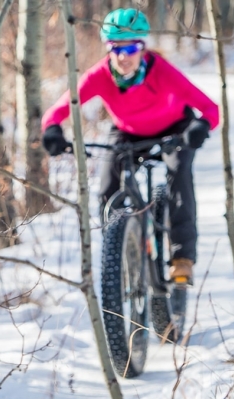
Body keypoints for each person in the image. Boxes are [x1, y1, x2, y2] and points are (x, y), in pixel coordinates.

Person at [41, 8, 219, 285]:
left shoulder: (162, 71)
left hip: (174, 130)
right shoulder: (99, 75)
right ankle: (120, 247)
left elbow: (210, 108)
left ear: (143, 47)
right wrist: (52, 130)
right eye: (115, 48)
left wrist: (201, 126)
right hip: (128, 131)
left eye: (132, 47)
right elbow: (58, 109)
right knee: (107, 185)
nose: (123, 56)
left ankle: (182, 258)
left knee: (178, 175)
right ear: (108, 48)